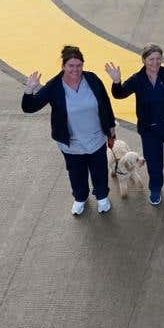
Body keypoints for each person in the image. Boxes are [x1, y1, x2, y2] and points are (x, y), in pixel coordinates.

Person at [21, 44, 117, 217]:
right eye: (71, 66)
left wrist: (111, 128)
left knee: (100, 170)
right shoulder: (54, 86)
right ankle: (80, 198)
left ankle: (102, 197)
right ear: (63, 66)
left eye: (79, 65)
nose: (75, 69)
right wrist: (29, 90)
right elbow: (30, 107)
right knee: (76, 173)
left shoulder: (92, 79)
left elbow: (105, 103)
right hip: (71, 143)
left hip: (96, 139)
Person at [106, 44, 164, 206]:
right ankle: (155, 188)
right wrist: (117, 81)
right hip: (149, 131)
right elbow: (120, 94)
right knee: (154, 162)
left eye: (158, 59)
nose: (155, 63)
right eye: (151, 59)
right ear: (144, 60)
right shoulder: (137, 79)